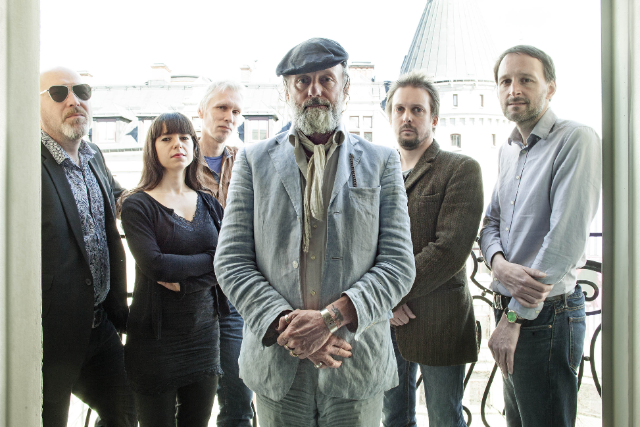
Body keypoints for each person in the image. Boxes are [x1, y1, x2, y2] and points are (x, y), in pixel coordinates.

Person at [213, 37, 416, 426]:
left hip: (354, 363)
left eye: (326, 79)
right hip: (279, 366)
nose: (314, 91)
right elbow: (232, 262)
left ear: (345, 88)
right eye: (302, 81)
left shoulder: (381, 162)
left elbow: (398, 265)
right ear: (287, 92)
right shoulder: (253, 162)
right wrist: (290, 328)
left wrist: (329, 320)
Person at [479, 45, 601, 426]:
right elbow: (490, 224)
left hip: (546, 316)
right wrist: (500, 265)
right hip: (510, 309)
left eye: (525, 80)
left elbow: (564, 243)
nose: (513, 89)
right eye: (505, 81)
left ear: (550, 88)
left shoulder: (576, 139)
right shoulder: (508, 150)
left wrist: (514, 317)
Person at [381, 71, 484, 427]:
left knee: (444, 418)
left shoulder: (461, 169)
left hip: (440, 319)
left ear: (434, 118)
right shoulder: (380, 172)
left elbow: (449, 250)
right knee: (394, 418)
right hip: (387, 323)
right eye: (399, 109)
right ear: (390, 116)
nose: (407, 117)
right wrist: (383, 303)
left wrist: (389, 294)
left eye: (417, 109)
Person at [40, 66, 136, 426]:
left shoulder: (93, 154)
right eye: (58, 93)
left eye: (81, 91)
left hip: (101, 326)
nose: (73, 100)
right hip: (51, 338)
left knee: (126, 412)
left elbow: (123, 200)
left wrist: (178, 204)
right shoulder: (24, 164)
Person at [120, 112, 226, 427]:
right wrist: (210, 259)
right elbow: (155, 264)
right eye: (166, 138)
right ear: (152, 149)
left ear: (194, 146)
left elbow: (228, 263)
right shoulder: (137, 205)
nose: (177, 144)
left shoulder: (210, 203)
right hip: (155, 341)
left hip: (204, 335)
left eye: (184, 138)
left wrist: (187, 283)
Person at [197, 80, 255, 426]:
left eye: (236, 111)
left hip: (234, 295)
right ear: (201, 111)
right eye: (221, 108)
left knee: (238, 392)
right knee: (193, 401)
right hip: (192, 294)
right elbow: (143, 197)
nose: (229, 117)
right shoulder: (178, 155)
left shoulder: (245, 161)